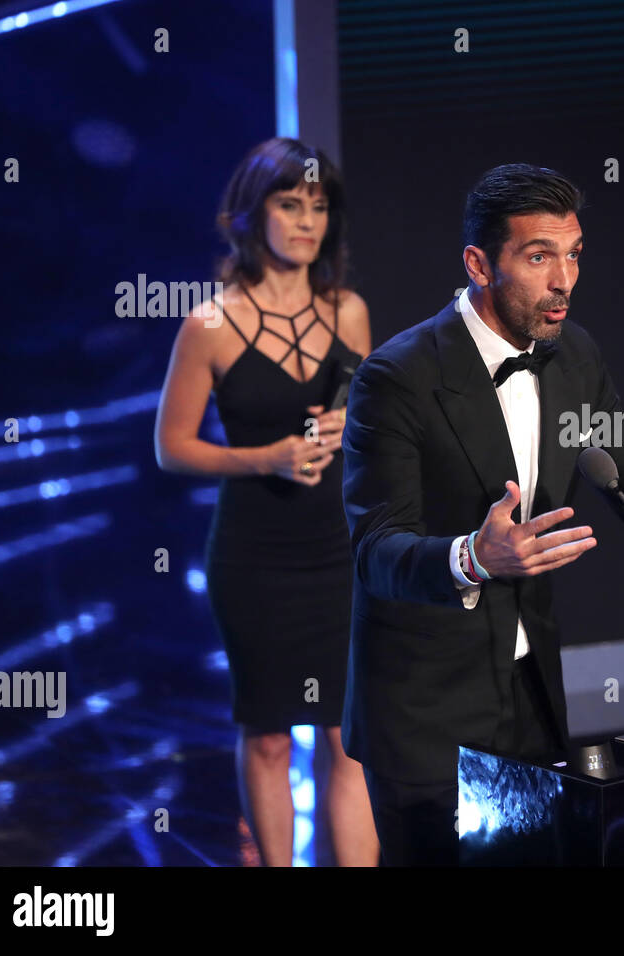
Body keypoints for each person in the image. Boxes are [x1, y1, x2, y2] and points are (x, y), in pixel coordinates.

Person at [341, 163, 624, 866]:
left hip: (531, 696)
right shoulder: (398, 378)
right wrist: (474, 557)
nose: (564, 279)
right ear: (479, 263)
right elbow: (376, 550)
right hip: (424, 712)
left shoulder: (574, 356)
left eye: (574, 253)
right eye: (538, 255)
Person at [155, 137, 378, 866]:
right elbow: (173, 447)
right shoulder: (209, 323)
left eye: (318, 206)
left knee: (349, 739)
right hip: (255, 556)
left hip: (336, 551)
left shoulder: (348, 312)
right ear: (254, 213)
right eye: (290, 204)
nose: (307, 221)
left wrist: (352, 429)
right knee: (271, 734)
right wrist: (267, 457)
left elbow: (368, 429)